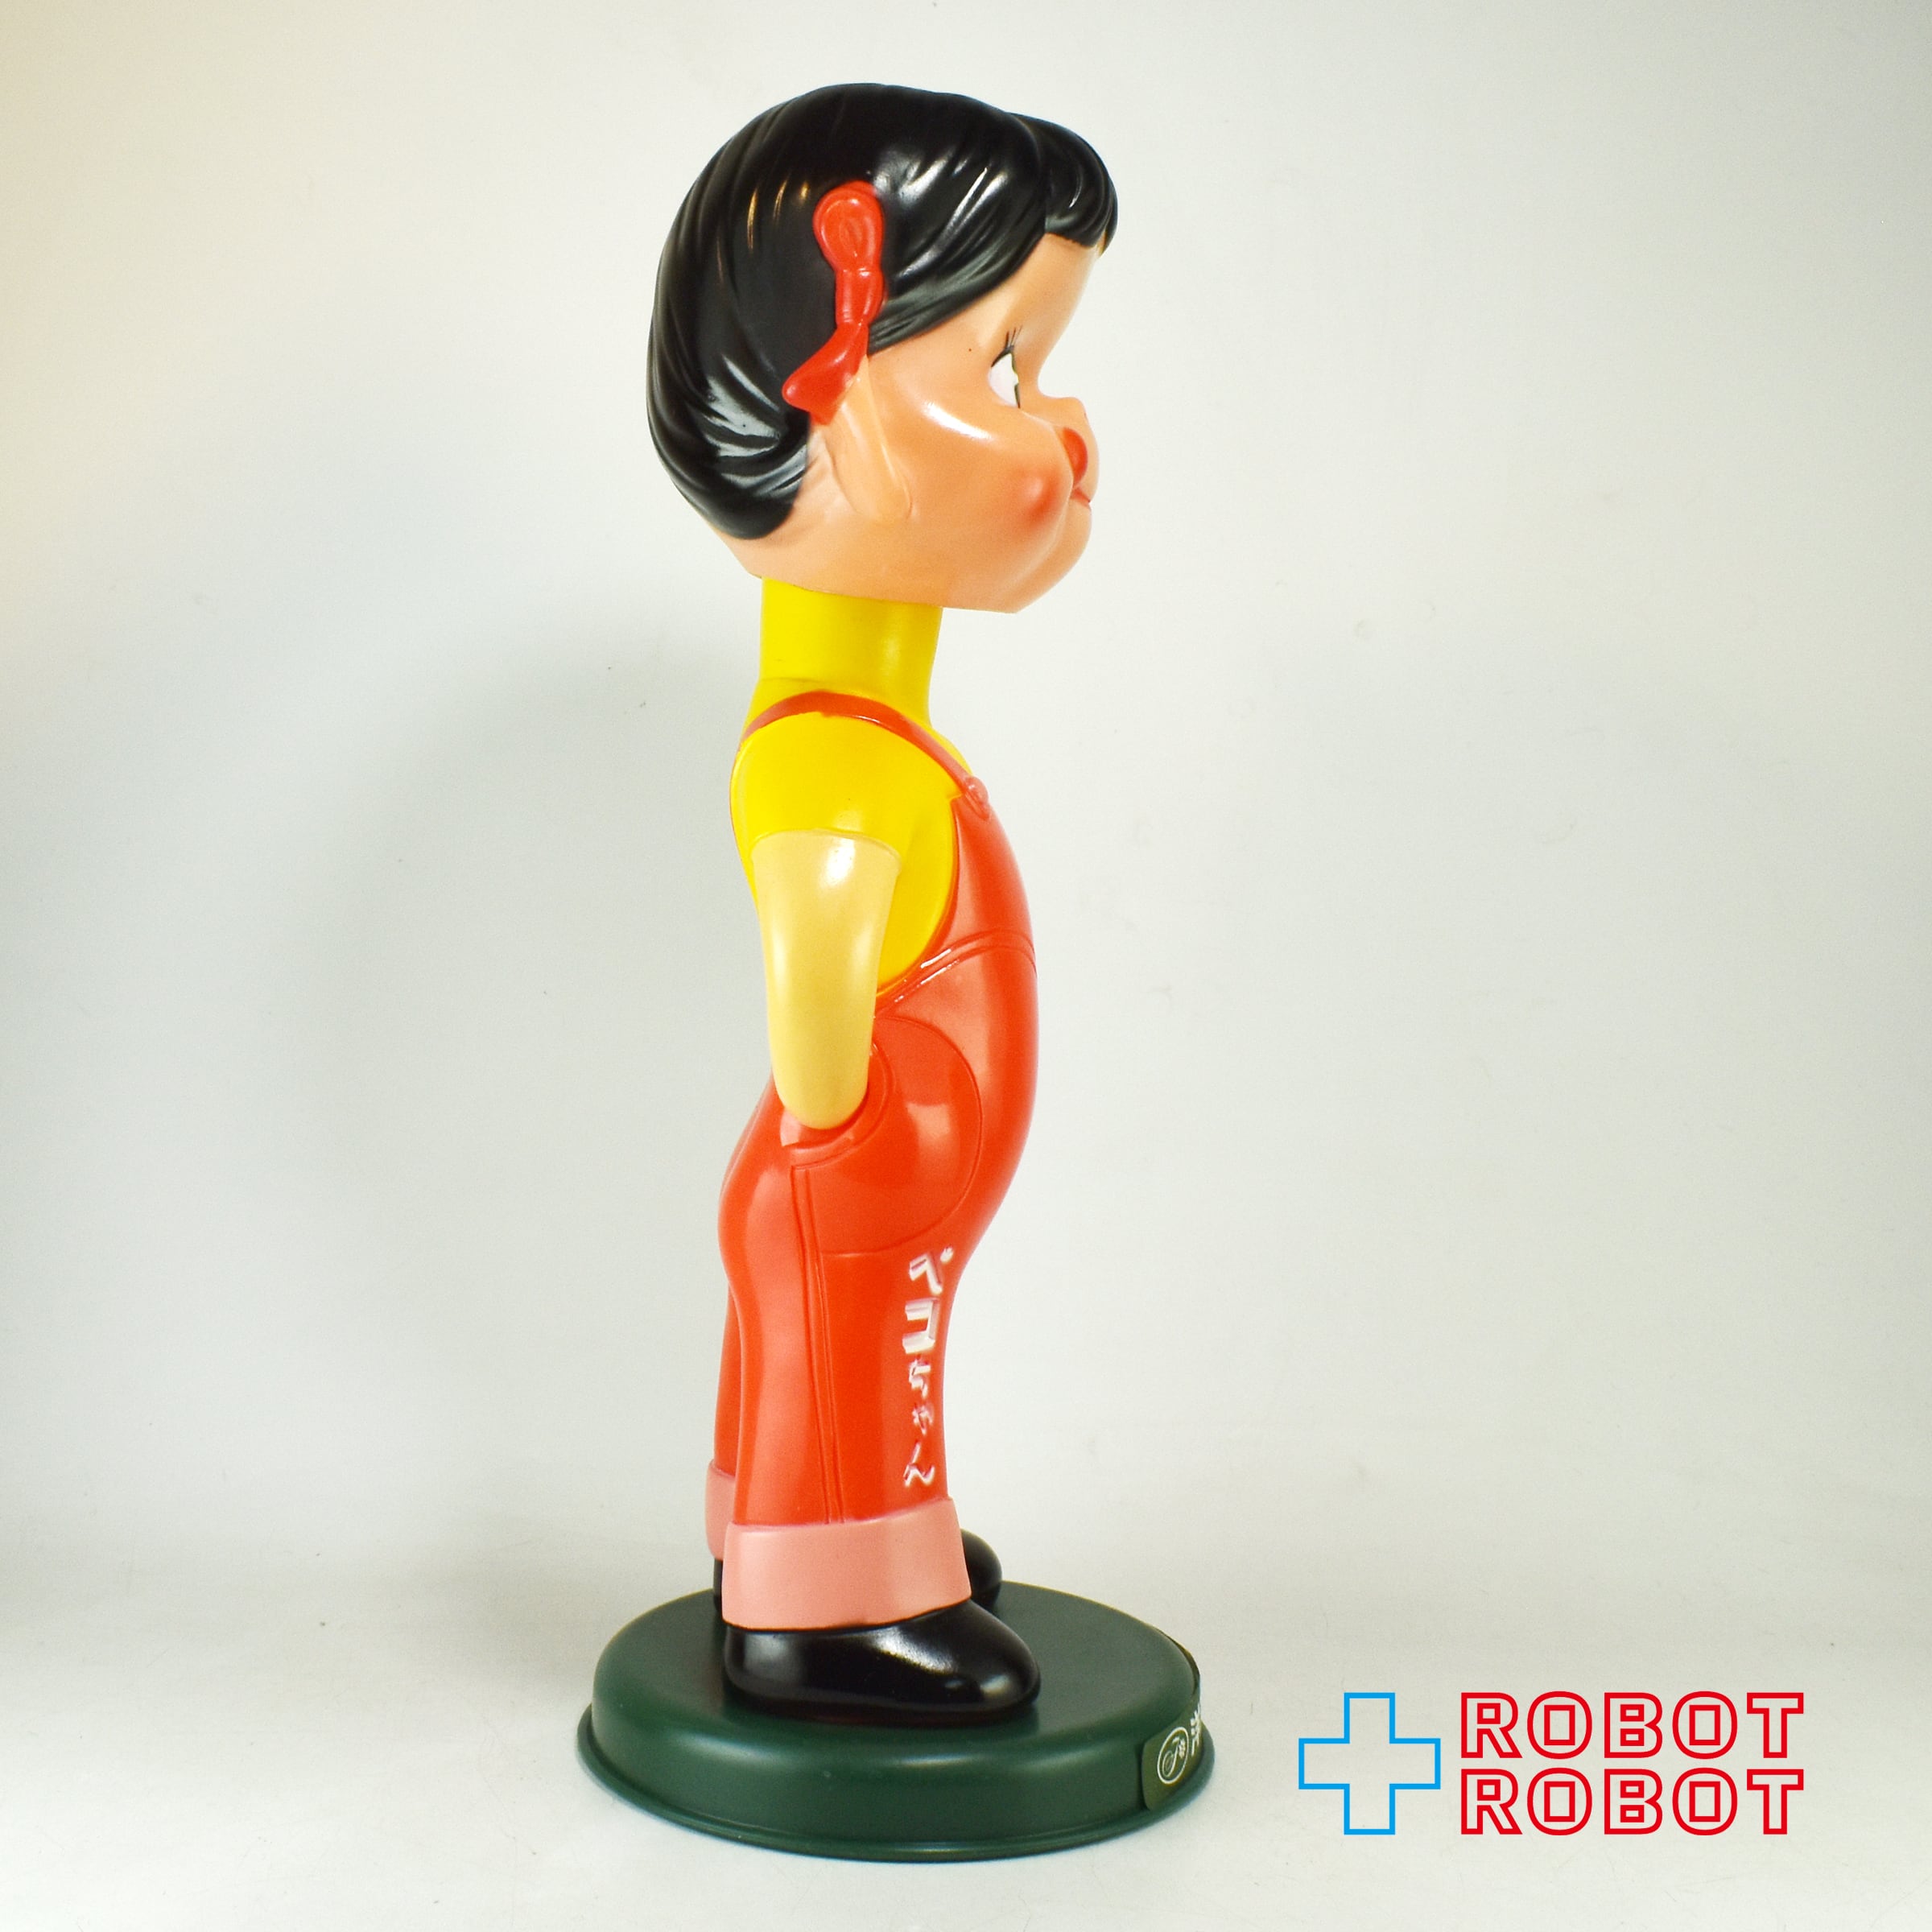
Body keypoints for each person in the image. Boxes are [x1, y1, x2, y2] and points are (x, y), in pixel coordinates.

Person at [648, 83, 1116, 1722]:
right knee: (858, 1373)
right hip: (863, 1197)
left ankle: (790, 1542)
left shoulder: (867, 735)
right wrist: (854, 1133)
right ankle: (828, 1604)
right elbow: (817, 986)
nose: (1065, 426)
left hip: (861, 1186)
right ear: (833, 387)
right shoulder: (837, 759)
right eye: (1005, 368)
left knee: (830, 1355)